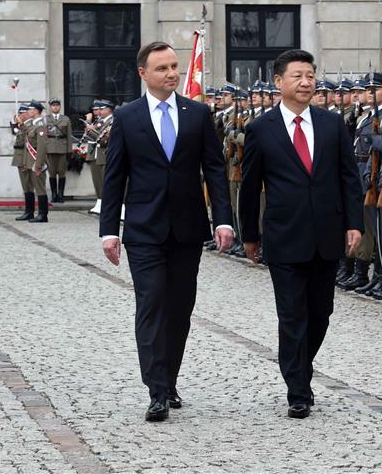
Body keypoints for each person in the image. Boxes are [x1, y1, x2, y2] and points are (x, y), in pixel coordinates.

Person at [99, 41, 233, 422]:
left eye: (175, 66)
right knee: (152, 304)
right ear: (143, 73)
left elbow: (215, 170)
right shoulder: (127, 116)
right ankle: (156, 389)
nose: (172, 73)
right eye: (162, 68)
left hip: (188, 229)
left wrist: (223, 219)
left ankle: (169, 378)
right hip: (143, 230)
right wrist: (109, 230)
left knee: (179, 309)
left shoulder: (197, 114)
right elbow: (114, 177)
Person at [239, 48, 364, 419]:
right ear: (279, 82)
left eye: (310, 75)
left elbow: (348, 178)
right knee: (292, 314)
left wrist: (354, 223)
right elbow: (249, 186)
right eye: (297, 76)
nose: (306, 82)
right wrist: (250, 235)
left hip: (327, 234)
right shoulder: (260, 129)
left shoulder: (331, 125)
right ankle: (298, 389)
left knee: (320, 313)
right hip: (284, 236)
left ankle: (299, 366)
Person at [44, 97, 71, 203]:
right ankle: (54, 194)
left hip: (62, 148)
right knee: (51, 173)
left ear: (60, 106)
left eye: (57, 105)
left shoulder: (66, 119)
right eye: (53, 105)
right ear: (50, 107)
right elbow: (43, 136)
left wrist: (69, 150)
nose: (55, 107)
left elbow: (69, 135)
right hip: (49, 148)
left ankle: (61, 194)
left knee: (62, 173)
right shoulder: (46, 119)